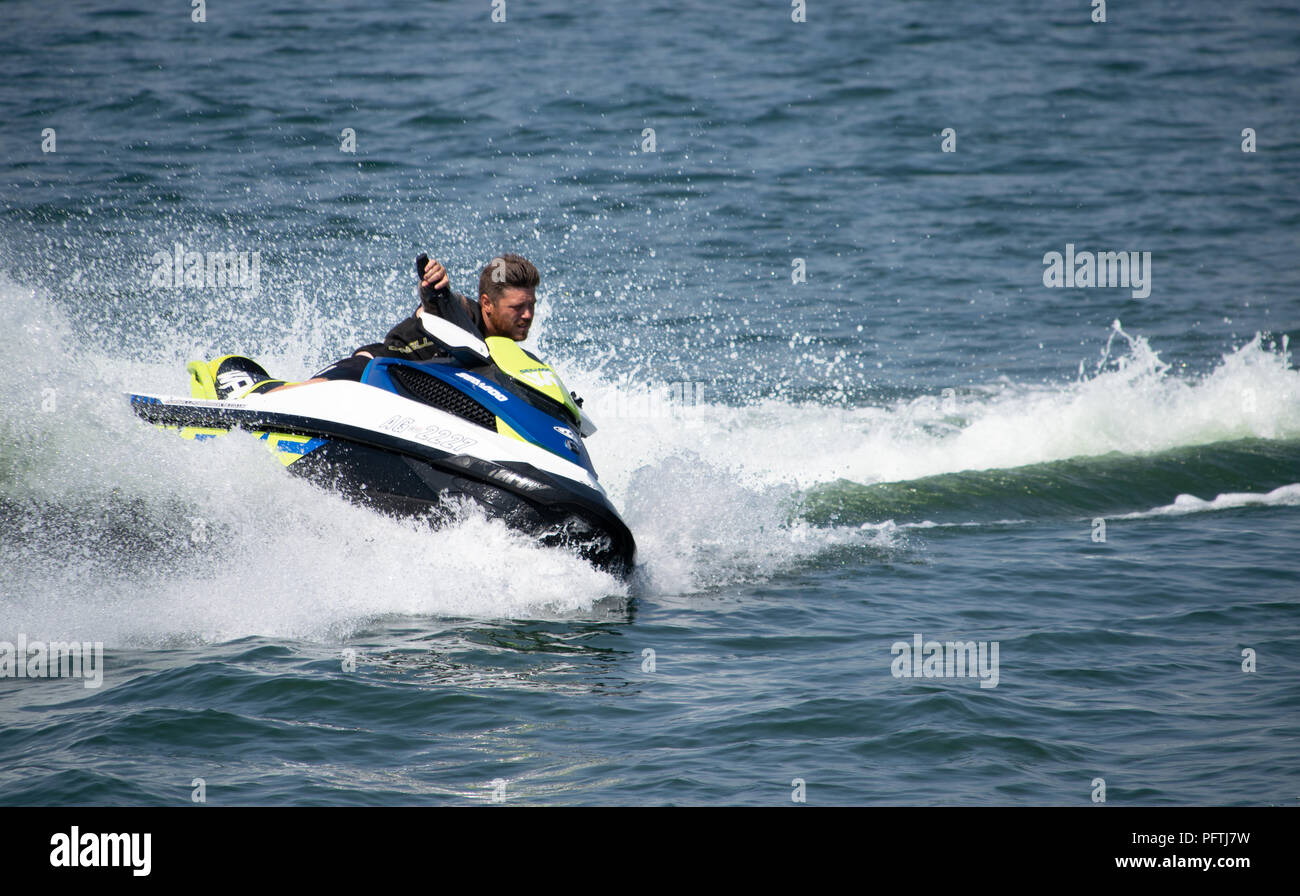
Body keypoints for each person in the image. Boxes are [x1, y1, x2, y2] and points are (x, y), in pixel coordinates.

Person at [270, 253, 539, 391]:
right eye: (517, 307)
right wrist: (435, 289)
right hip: (379, 365)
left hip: (416, 394)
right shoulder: (469, 314)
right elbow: (445, 305)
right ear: (488, 304)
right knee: (311, 392)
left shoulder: (507, 355)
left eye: (531, 306)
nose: (527, 315)